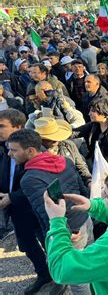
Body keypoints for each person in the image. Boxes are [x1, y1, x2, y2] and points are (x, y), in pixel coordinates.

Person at [8, 128, 92, 295]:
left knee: (77, 279)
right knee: (89, 265)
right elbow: (82, 191)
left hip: (69, 232)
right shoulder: (65, 161)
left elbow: (45, 213)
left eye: (14, 150)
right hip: (84, 220)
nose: (10, 154)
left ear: (30, 151)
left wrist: (59, 236)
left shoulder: (30, 178)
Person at [0, 109, 52, 294]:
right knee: (27, 245)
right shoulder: (4, 148)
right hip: (17, 213)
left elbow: (41, 182)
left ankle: (59, 275)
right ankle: (43, 274)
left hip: (35, 210)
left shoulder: (36, 150)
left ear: (18, 127)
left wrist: (11, 198)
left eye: (2, 126)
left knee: (48, 242)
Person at [34, 117, 91, 188]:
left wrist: (89, 181)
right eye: (48, 139)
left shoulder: (69, 145)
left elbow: (81, 166)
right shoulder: (35, 154)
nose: (54, 140)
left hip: (77, 187)